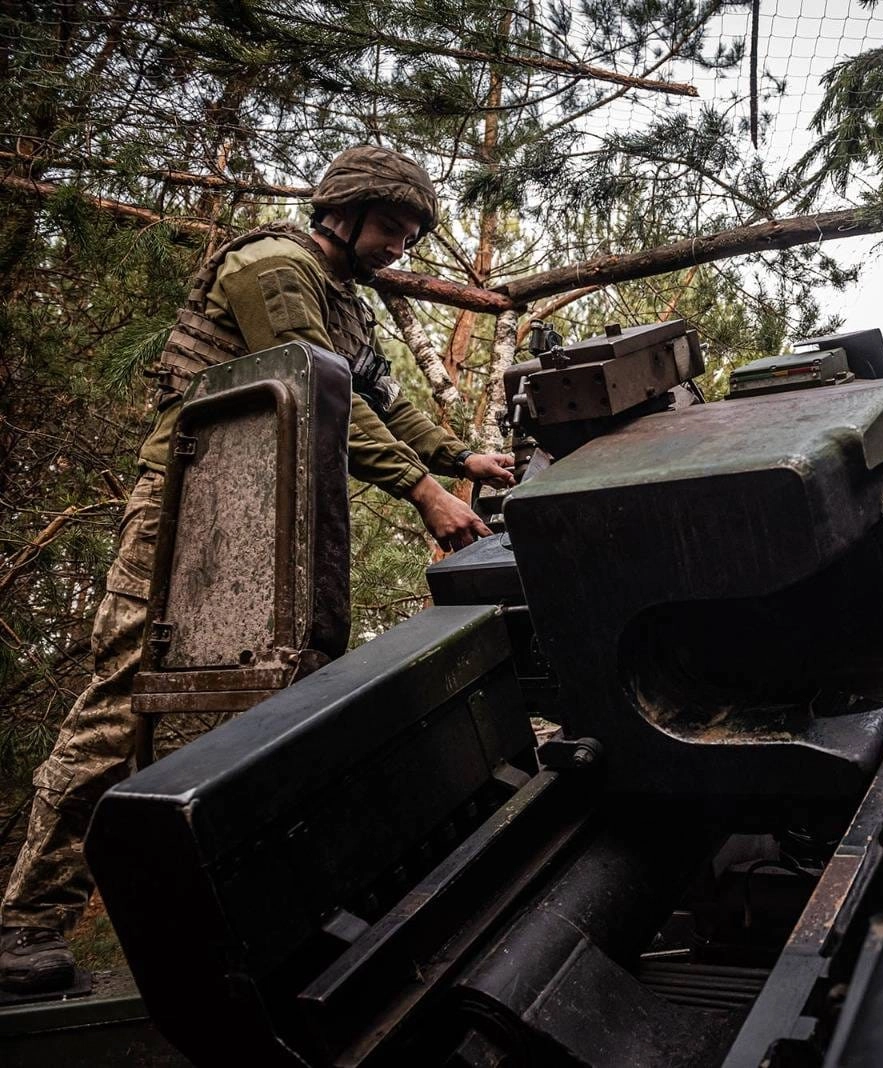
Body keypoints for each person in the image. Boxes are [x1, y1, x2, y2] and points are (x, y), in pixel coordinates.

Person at [0, 145, 514, 993]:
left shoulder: (348, 308)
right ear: (342, 211)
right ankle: (27, 923)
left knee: (266, 714)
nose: (400, 248)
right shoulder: (273, 267)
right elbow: (314, 392)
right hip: (185, 512)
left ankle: (219, 934)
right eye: (391, 227)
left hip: (266, 524)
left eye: (412, 233)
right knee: (127, 704)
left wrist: (461, 455)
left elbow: (381, 395)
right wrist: (425, 491)